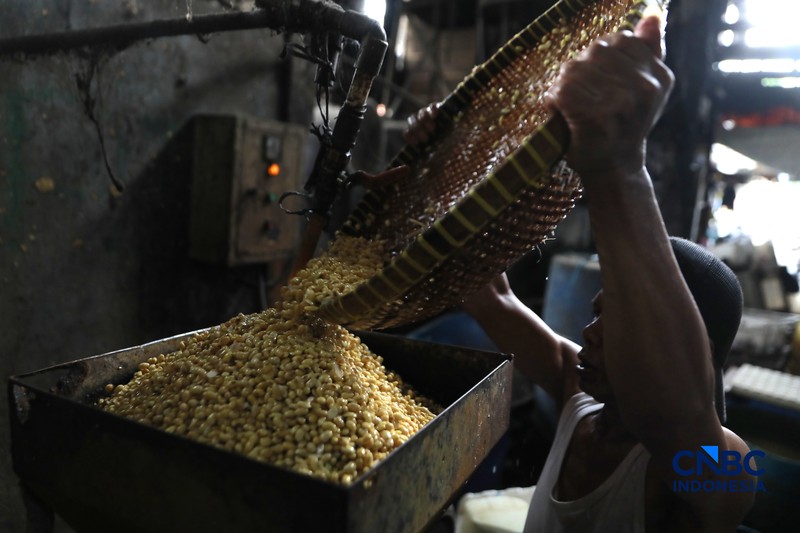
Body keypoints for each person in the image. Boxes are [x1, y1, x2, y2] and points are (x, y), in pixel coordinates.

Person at [406, 15, 756, 533]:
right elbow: (487, 295)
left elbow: (678, 416)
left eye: (617, 326)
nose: (590, 333)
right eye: (597, 314)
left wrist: (619, 166)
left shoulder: (722, 475)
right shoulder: (579, 396)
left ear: (690, 350)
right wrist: (442, 172)